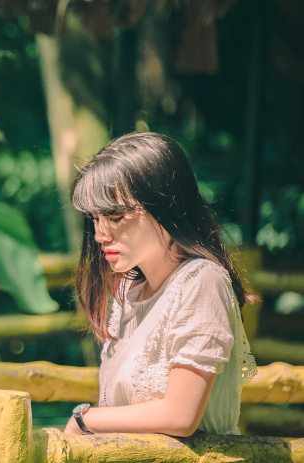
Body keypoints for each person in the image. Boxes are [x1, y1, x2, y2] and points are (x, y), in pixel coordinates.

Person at [63, 132, 257, 437]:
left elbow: (181, 415)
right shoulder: (129, 292)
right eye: (95, 218)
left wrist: (85, 420)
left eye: (116, 216)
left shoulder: (202, 281)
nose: (100, 234)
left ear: (164, 206)